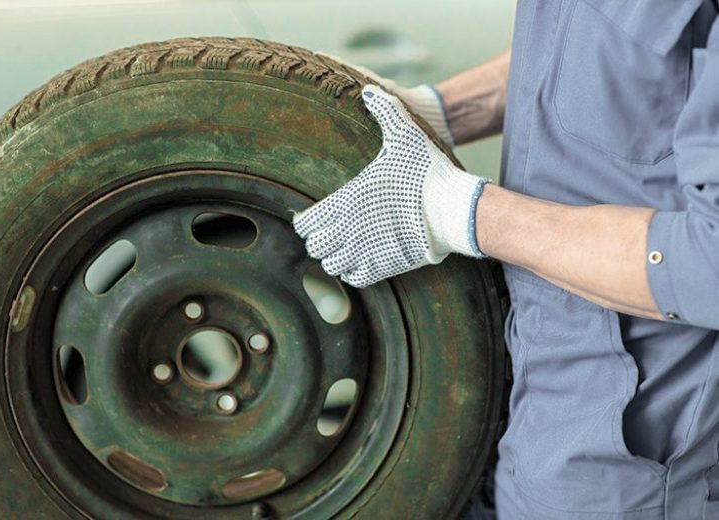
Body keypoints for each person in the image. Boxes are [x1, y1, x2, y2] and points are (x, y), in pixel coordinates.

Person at [293, 1, 719, 518]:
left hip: (628, 465)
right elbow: (591, 43)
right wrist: (438, 112)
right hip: (525, 399)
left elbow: (710, 264)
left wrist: (465, 213)